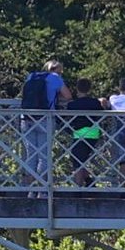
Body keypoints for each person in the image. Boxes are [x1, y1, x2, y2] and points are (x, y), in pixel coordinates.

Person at [20, 57, 72, 185]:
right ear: (57, 70)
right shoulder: (56, 78)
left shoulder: (32, 76)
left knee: (30, 154)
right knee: (44, 155)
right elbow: (68, 96)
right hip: (45, 119)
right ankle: (43, 189)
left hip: (27, 117)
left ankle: (29, 189)